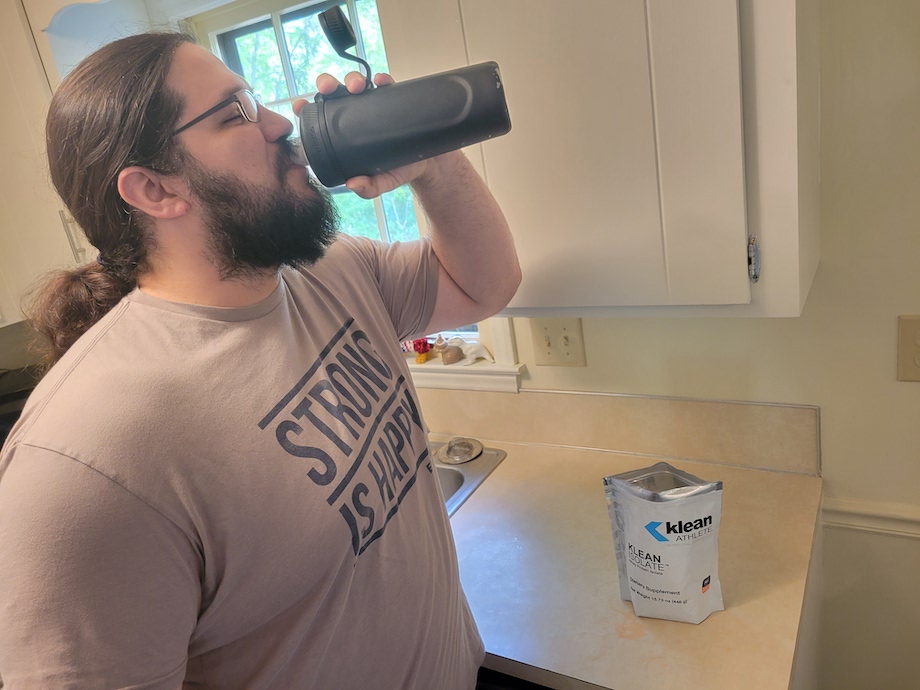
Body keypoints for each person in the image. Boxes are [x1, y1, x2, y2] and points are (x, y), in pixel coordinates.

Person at [0, 31, 520, 689]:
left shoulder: (327, 270)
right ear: (154, 191)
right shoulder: (88, 462)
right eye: (236, 113)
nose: (279, 120)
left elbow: (483, 284)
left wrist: (433, 163)